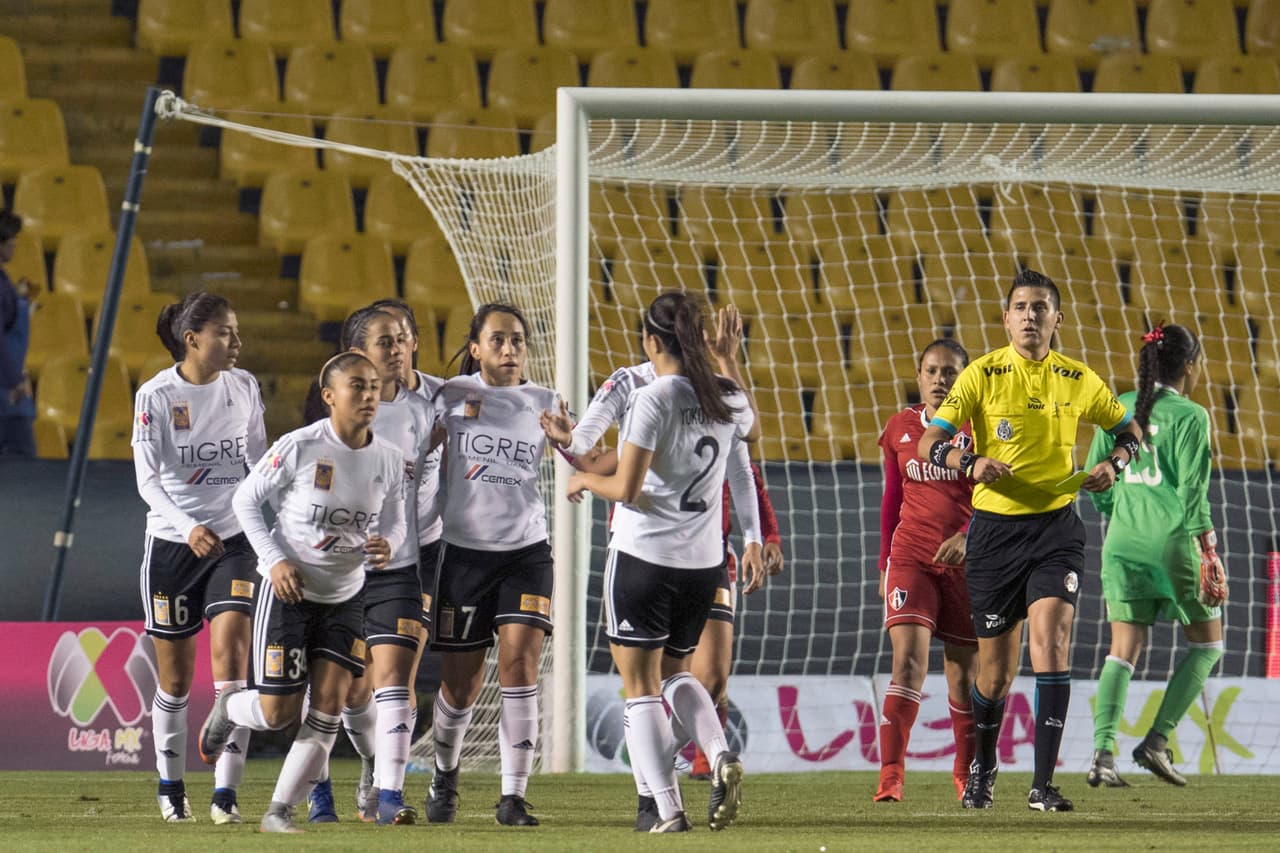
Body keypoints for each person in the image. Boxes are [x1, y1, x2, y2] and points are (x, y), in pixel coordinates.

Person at [917, 269, 1143, 812]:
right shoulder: (982, 373)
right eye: (1020, 306)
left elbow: (1130, 430)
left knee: (1054, 644)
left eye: (1040, 307)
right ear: (1006, 317)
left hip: (1056, 528)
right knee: (993, 675)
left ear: (1056, 319)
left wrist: (1115, 462)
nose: (1030, 316)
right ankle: (983, 766)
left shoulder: (1078, 377)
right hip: (994, 534)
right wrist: (972, 462)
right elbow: (930, 441)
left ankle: (1042, 785)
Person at [539, 305, 783, 792]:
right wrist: (568, 442)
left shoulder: (712, 389)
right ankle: (669, 780)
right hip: (654, 544)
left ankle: (663, 780)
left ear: (653, 339)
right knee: (666, 678)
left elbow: (743, 461)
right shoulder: (630, 384)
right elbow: (584, 442)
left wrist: (756, 536)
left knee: (698, 678)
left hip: (692, 550)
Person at [198, 351, 406, 833]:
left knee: (329, 704)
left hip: (347, 595)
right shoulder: (300, 446)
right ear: (330, 396)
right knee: (276, 714)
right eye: (357, 386)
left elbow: (396, 518)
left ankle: (279, 811)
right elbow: (244, 500)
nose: (369, 395)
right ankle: (230, 706)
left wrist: (389, 542)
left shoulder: (390, 459)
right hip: (288, 594)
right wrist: (274, 561)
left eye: (374, 386)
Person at [423, 303, 560, 827]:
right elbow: (416, 457)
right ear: (475, 347)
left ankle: (513, 797)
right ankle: (445, 772)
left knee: (520, 667)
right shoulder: (451, 397)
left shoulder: (545, 403)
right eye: (498, 340)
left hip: (526, 553)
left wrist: (572, 449)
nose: (510, 350)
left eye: (518, 341)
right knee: (461, 686)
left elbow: (581, 451)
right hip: (463, 555)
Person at [131, 292, 266, 823]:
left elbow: (257, 460)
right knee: (177, 682)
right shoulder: (156, 396)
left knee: (232, 662)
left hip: (234, 541)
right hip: (173, 544)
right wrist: (188, 528)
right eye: (225, 333)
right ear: (192, 340)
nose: (237, 342)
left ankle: (225, 796)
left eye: (236, 331)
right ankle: (170, 786)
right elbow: (147, 480)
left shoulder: (245, 386)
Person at [306, 307, 435, 825]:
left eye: (404, 338)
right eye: (386, 341)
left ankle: (390, 796)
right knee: (341, 693)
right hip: (335, 573)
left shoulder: (427, 408)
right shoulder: (324, 426)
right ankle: (334, 783)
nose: (399, 348)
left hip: (401, 566)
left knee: (394, 678)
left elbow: (405, 499)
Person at [1085, 323, 1227, 788]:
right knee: (1208, 645)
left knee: (1121, 652)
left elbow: (1093, 477)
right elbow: (1192, 493)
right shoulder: (1192, 415)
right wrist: (1208, 548)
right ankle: (1156, 741)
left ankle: (1102, 756)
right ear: (1191, 365)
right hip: (1173, 544)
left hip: (1122, 542)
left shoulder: (1120, 406)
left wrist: (1118, 511)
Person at [875, 338, 978, 803]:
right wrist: (884, 564)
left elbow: (997, 499)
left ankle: (964, 774)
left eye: (951, 372)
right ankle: (891, 776)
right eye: (933, 371)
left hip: (968, 564)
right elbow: (892, 499)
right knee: (908, 663)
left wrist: (968, 536)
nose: (941, 379)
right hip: (912, 557)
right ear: (919, 378)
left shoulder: (980, 429)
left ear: (966, 378)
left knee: (962, 675)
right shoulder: (900, 427)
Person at [0, 210, 35, 456]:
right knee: (22, 469)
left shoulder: (4, 281)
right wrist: (15, 380)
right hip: (6, 394)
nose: (15, 245)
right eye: (12, 240)